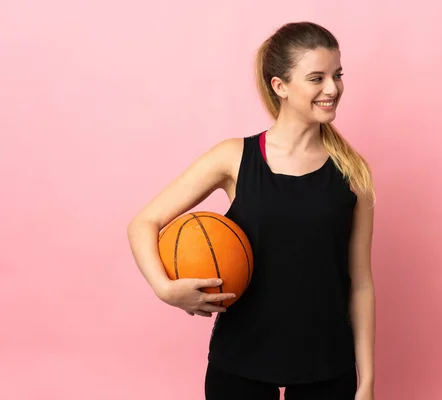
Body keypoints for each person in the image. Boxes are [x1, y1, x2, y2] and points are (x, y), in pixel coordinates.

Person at [127, 21, 376, 400]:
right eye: (316, 78)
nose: (333, 88)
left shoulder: (353, 173)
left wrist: (368, 381)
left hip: (328, 366)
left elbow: (361, 285)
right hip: (240, 364)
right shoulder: (234, 157)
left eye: (337, 75)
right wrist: (167, 290)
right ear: (280, 87)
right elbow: (144, 223)